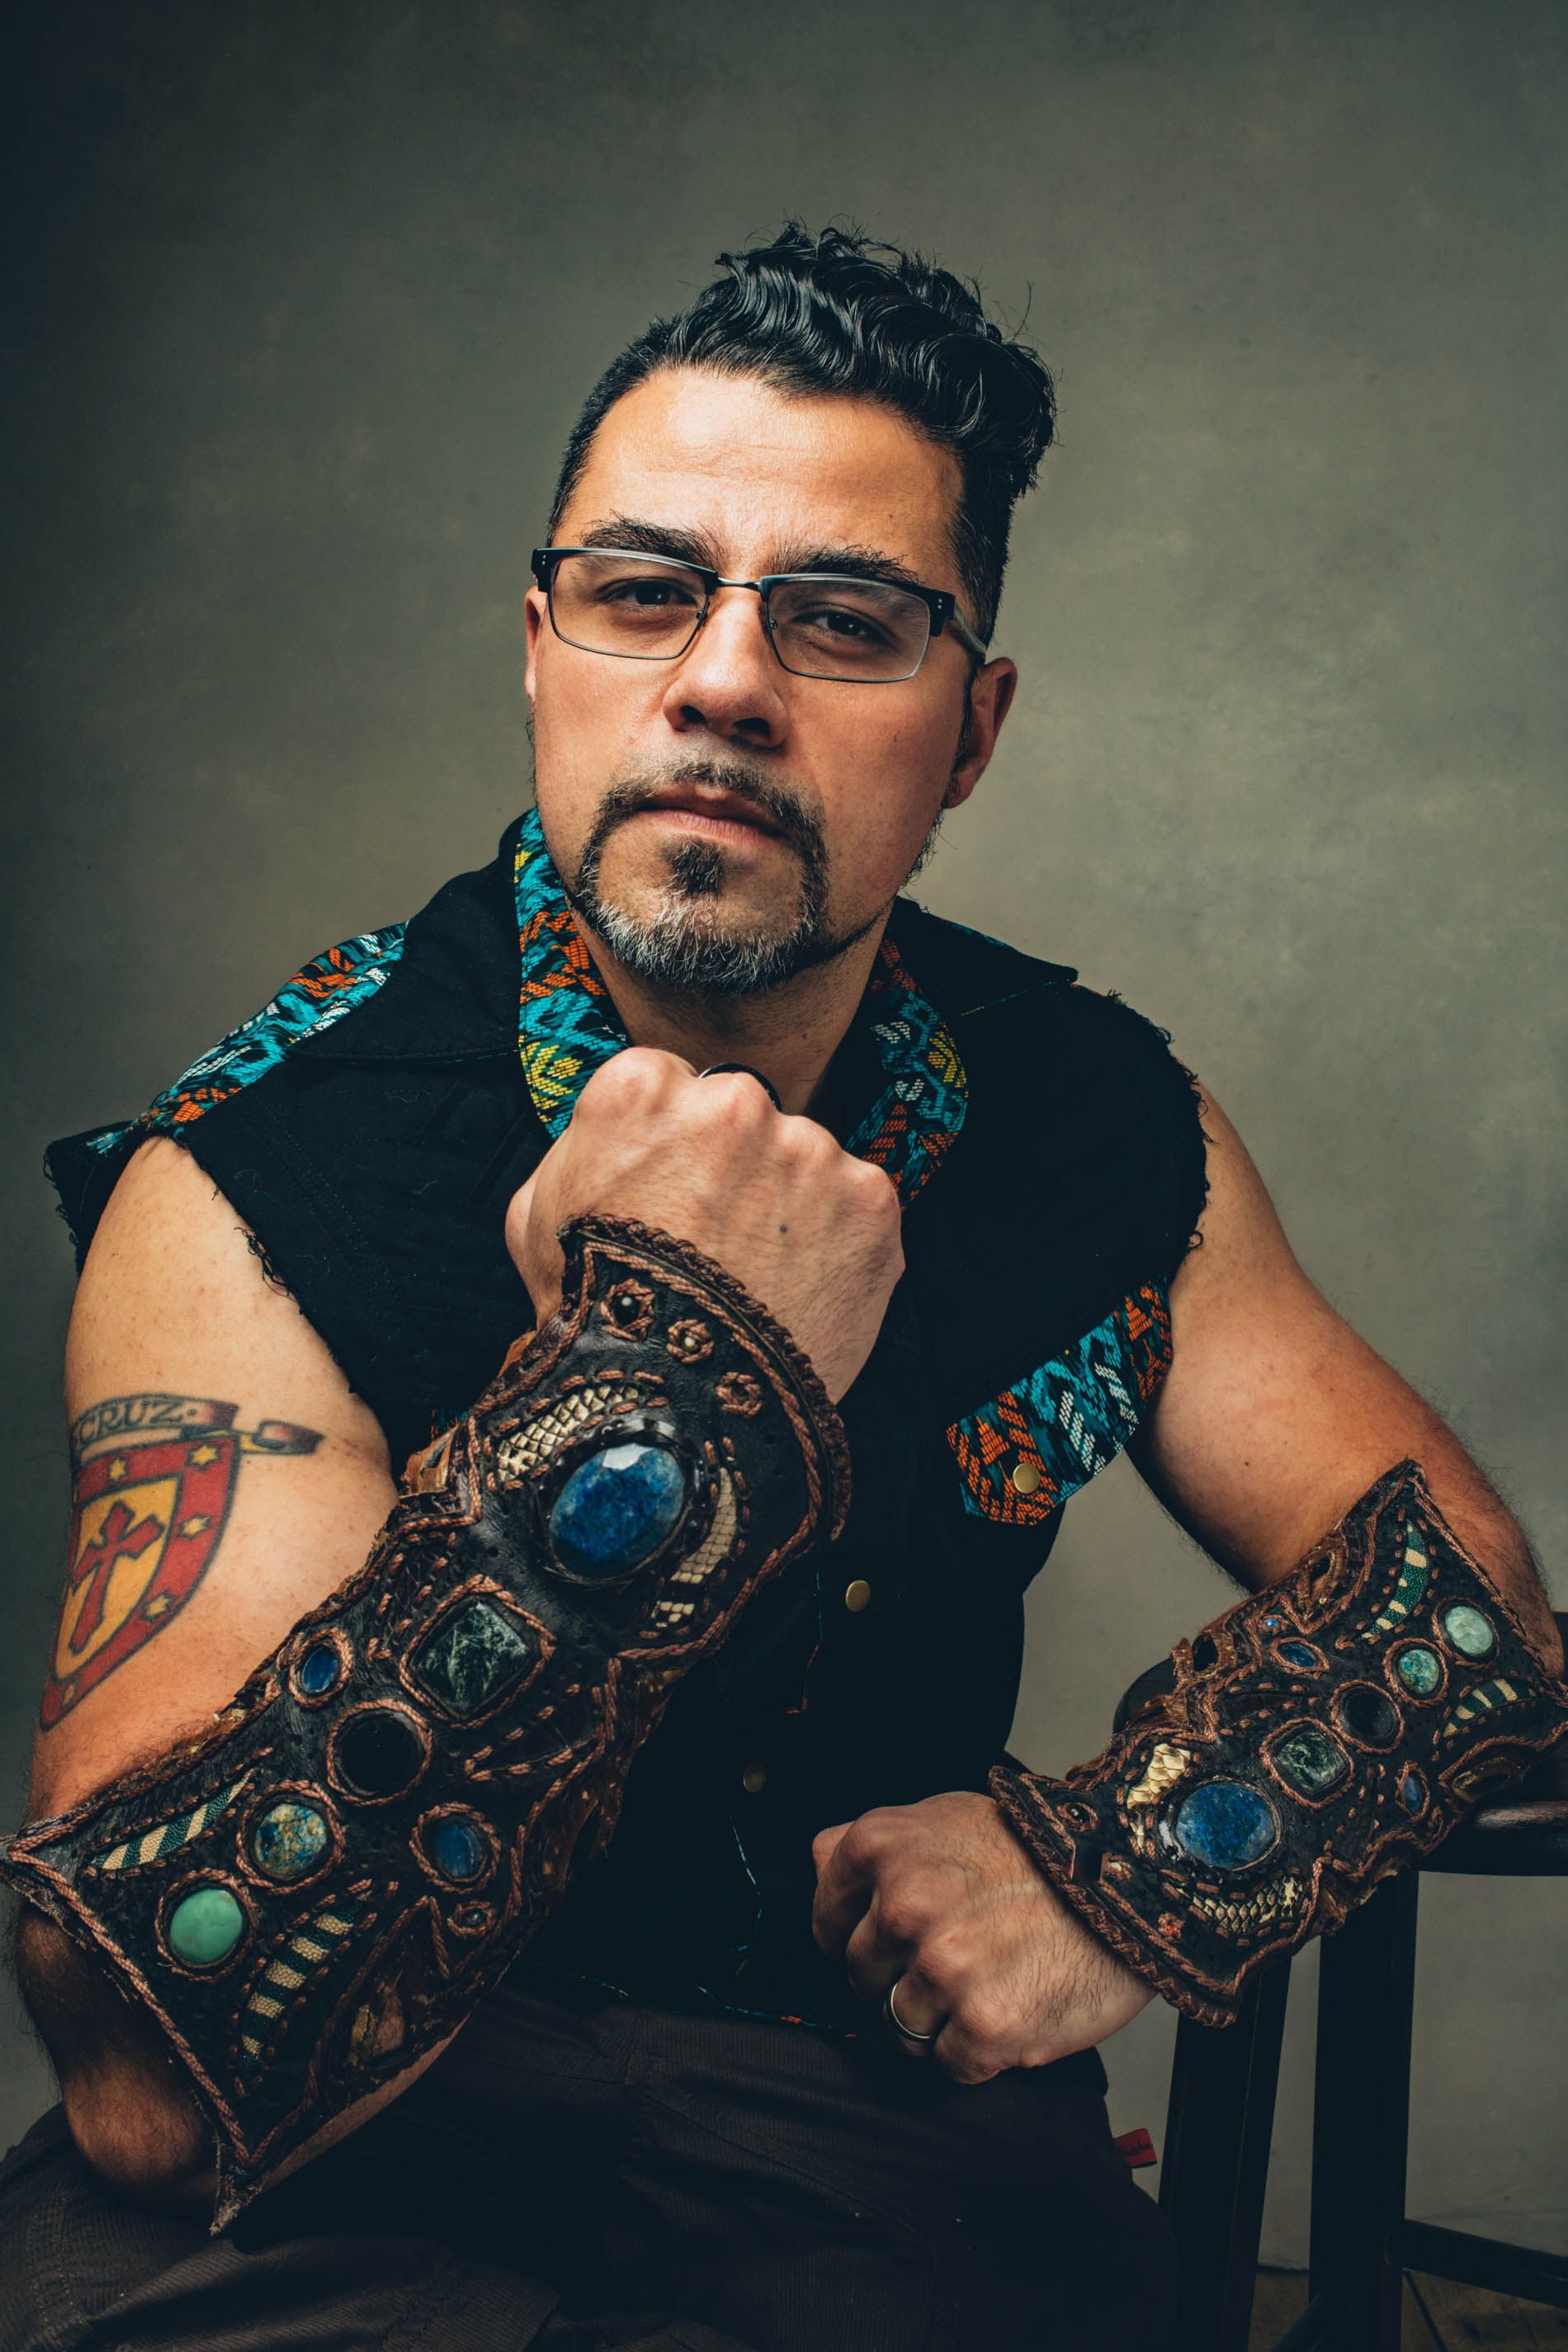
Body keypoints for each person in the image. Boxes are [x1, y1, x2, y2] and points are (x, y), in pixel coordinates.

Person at [2, 222, 1563, 2352]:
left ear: (972, 725)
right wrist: (656, 1399)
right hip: (345, 2146)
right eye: (646, 591)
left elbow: (1465, 1596)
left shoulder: (1103, 1116)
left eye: (841, 621)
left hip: (867, 2132)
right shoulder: (262, 1171)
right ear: (539, 645)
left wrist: (1120, 1866)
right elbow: (149, 2068)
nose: (722, 680)